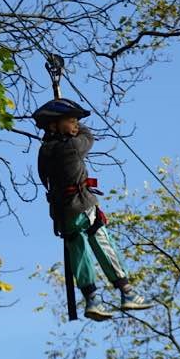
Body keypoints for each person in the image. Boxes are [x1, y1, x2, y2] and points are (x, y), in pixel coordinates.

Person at [33, 98, 153, 321]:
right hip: (83, 206)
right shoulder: (72, 146)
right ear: (53, 125)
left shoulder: (44, 151)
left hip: (62, 214)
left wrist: (63, 123)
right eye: (71, 121)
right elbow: (88, 137)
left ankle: (92, 298)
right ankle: (127, 291)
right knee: (102, 242)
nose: (76, 125)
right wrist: (75, 125)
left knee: (78, 252)